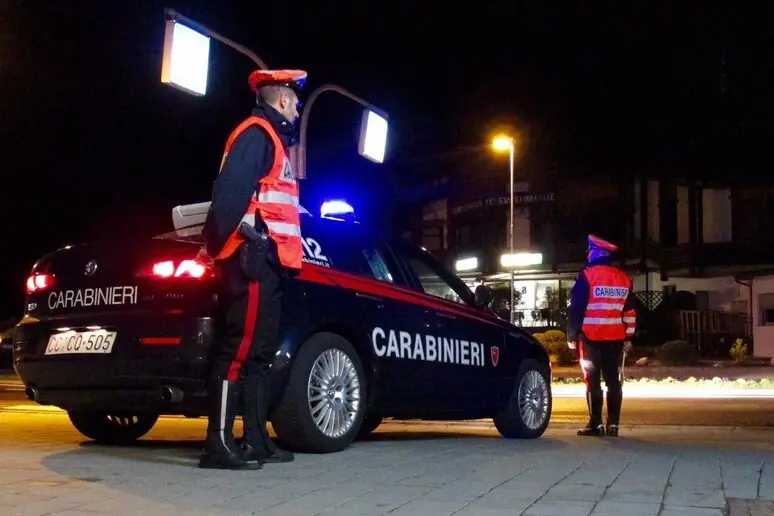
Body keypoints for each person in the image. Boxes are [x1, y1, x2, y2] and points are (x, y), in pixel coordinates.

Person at [196, 69, 307, 470]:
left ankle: (256, 441)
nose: (297, 109)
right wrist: (231, 246)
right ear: (281, 100)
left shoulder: (271, 139)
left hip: (268, 263)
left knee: (259, 354)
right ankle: (218, 444)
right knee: (239, 351)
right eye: (295, 102)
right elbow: (227, 197)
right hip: (253, 260)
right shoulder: (257, 133)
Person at [566, 234, 637, 437]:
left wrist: (571, 335)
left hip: (590, 337)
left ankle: (595, 424)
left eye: (589, 252)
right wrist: (628, 336)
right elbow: (629, 311)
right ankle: (613, 425)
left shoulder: (588, 275)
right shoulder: (623, 278)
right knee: (613, 381)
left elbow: (577, 308)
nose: (587, 255)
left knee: (592, 380)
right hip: (614, 338)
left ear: (596, 253)